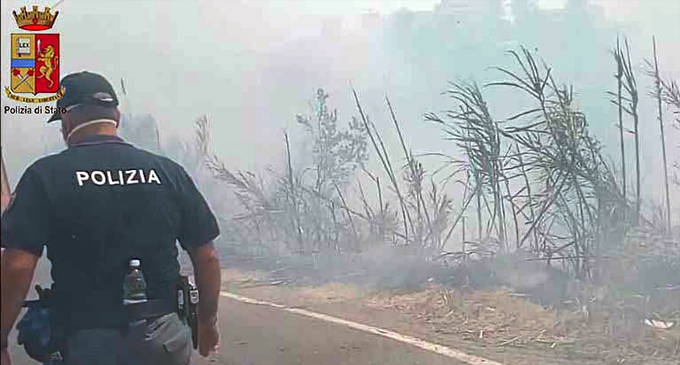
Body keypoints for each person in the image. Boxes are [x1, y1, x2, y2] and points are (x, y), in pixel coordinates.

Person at [1, 71, 222, 365]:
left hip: (86, 340)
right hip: (163, 340)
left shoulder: (45, 175)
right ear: (116, 116)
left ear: (66, 121)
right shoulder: (168, 172)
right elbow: (206, 256)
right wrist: (206, 322)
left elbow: (17, 264)